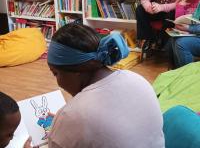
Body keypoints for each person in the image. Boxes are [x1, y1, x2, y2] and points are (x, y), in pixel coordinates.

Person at [25, 23, 165, 148]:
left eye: (55, 73)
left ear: (76, 71)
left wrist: (67, 122)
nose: (58, 82)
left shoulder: (72, 115)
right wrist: (70, 124)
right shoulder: (138, 79)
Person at [168, 0, 200, 69]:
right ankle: (178, 71)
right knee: (172, 42)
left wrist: (188, 28)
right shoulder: (182, 3)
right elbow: (178, 20)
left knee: (181, 43)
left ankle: (186, 75)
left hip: (194, 33)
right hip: (192, 33)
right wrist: (181, 6)